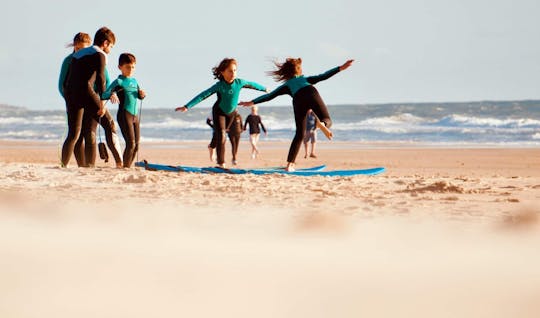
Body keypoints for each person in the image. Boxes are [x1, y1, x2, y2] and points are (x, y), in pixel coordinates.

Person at [239, 58, 354, 171]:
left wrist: (252, 102)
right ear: (298, 70)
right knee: (326, 119)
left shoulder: (287, 85)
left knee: (299, 134)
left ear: (286, 72)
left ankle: (290, 165)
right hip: (310, 91)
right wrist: (341, 68)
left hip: (298, 99)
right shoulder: (305, 79)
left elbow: (269, 96)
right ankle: (322, 124)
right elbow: (323, 76)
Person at [175, 58, 267, 168]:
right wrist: (187, 106)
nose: (233, 73)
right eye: (230, 71)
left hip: (232, 114)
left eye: (235, 70)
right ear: (222, 72)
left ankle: (212, 146)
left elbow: (252, 84)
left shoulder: (239, 82)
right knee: (222, 136)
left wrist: (264, 89)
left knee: (223, 135)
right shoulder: (219, 86)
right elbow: (203, 95)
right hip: (219, 112)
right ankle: (221, 163)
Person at [59, 32, 123, 168]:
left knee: (74, 134)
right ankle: (119, 163)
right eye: (111, 46)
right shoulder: (100, 54)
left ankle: (63, 166)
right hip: (87, 93)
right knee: (109, 124)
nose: (110, 50)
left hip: (72, 95)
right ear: (105, 43)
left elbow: (69, 81)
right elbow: (101, 79)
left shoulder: (77, 55)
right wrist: (101, 103)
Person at [102, 53, 146, 168]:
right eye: (127, 67)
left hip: (135, 116)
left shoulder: (135, 81)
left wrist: (142, 95)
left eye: (133, 67)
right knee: (130, 143)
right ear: (120, 67)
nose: (131, 69)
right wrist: (112, 93)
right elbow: (104, 94)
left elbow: (138, 96)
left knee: (136, 145)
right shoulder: (119, 82)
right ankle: (125, 168)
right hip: (124, 115)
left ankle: (127, 167)